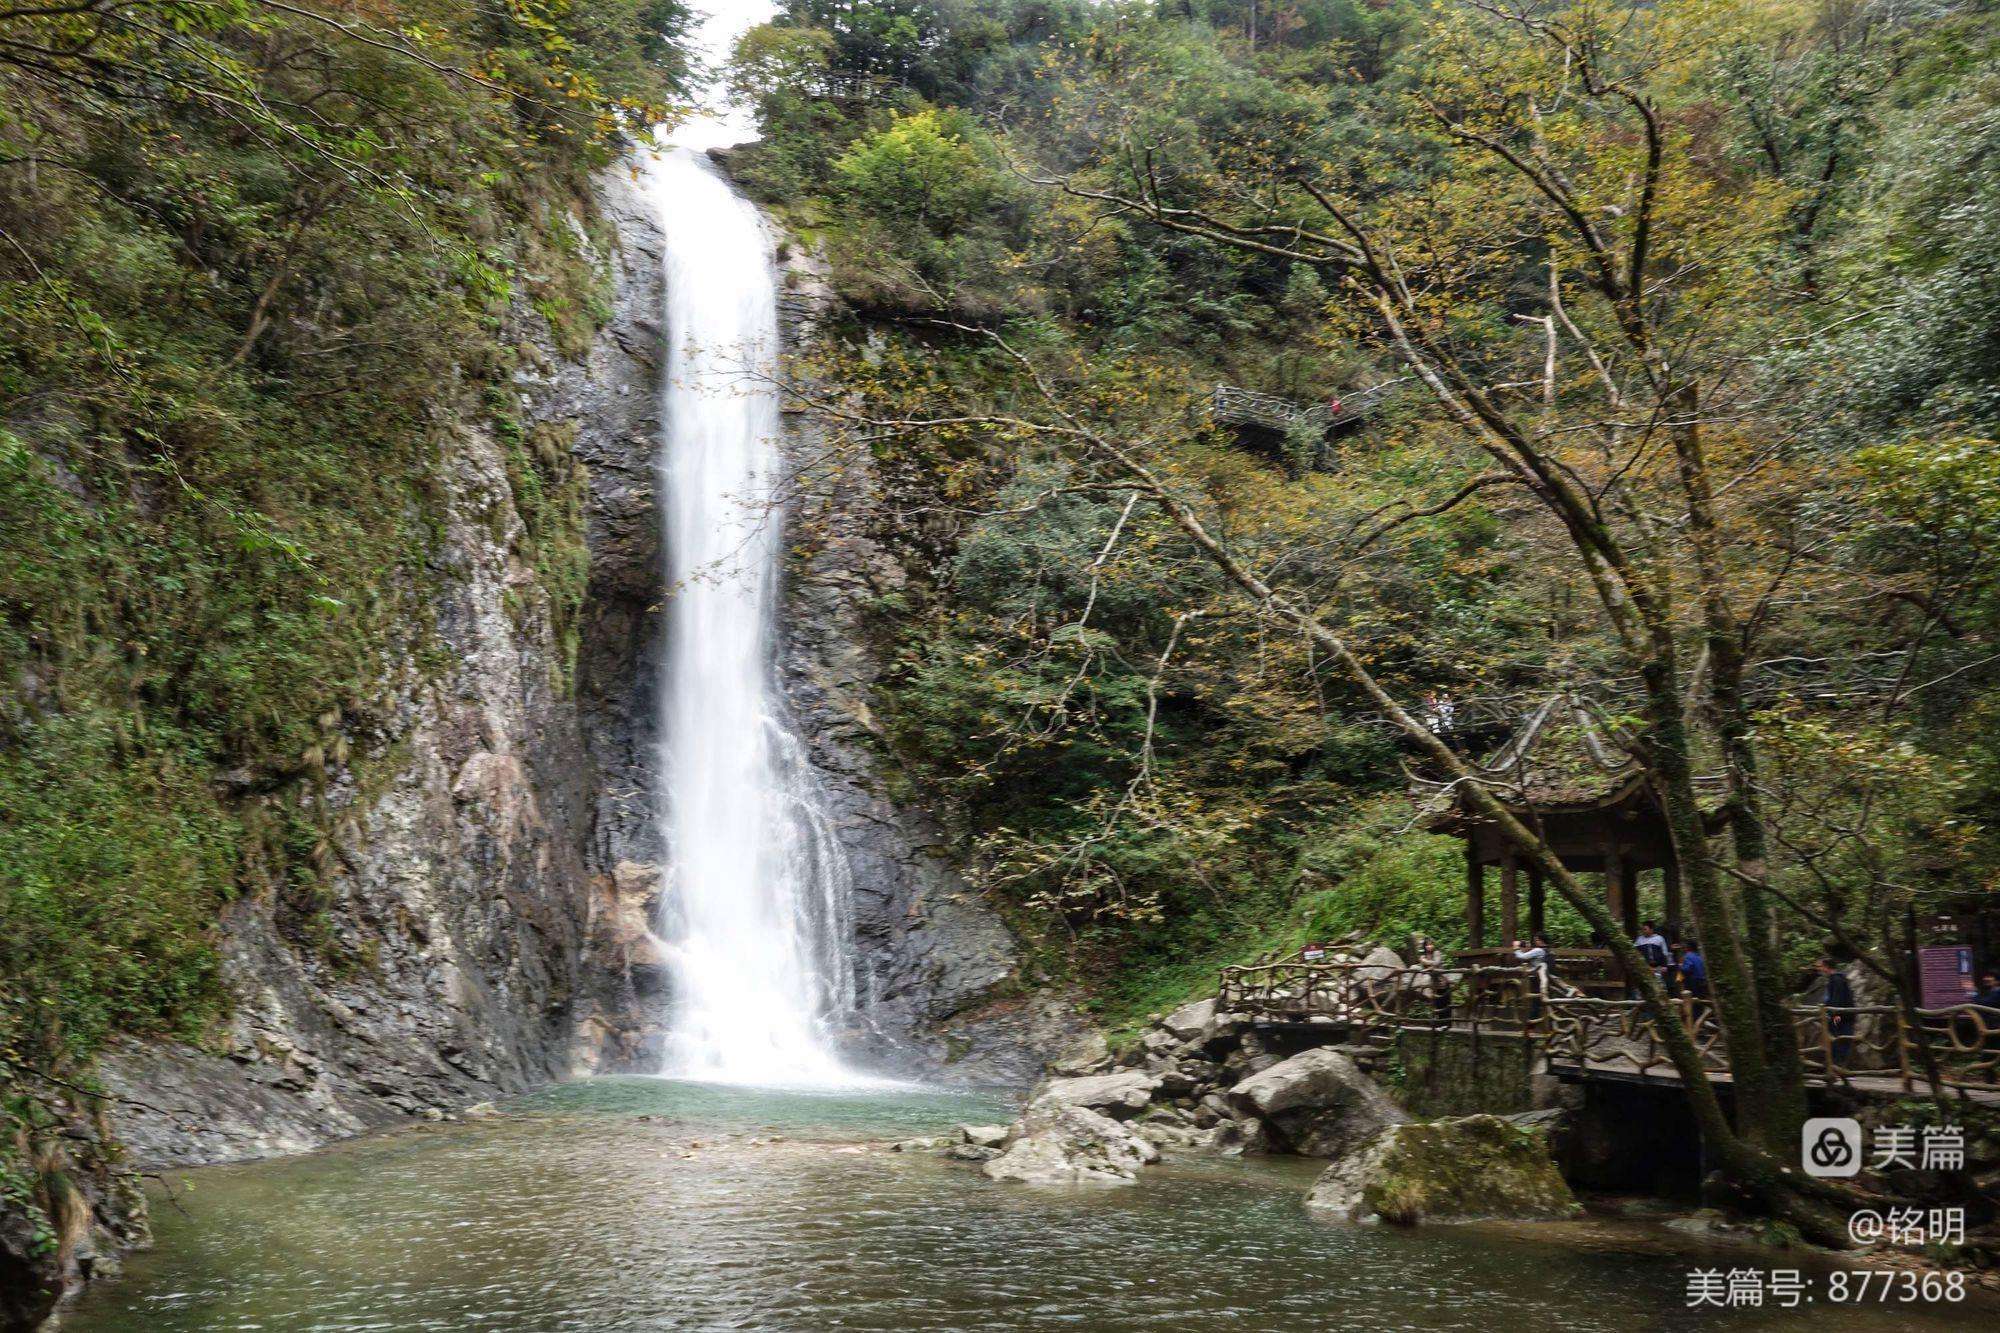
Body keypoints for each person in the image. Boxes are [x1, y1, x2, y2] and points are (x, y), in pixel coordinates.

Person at [1816, 956, 1856, 1067]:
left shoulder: (1837, 980)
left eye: (1820, 966)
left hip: (1841, 1017)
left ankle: (1839, 1067)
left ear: (1826, 967)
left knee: (1840, 1041)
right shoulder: (1835, 980)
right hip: (1839, 1016)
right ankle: (1835, 1066)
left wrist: (1832, 1015)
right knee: (1836, 1041)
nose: (1819, 969)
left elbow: (1837, 1000)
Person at [1513, 934, 1550, 1020]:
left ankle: (1530, 1025)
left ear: (1541, 940)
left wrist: (1516, 949)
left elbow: (1522, 957)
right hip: (1545, 977)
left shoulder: (1538, 950)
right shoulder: (1547, 950)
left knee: (1535, 1001)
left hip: (1536, 978)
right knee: (1540, 1000)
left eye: (1536, 940)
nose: (1535, 942)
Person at [1633, 920, 1670, 997]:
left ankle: (1662, 1002)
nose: (1643, 931)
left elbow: (1665, 953)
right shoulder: (1639, 940)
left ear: (1651, 929)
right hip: (1644, 967)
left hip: (1657, 968)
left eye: (1645, 929)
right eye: (1642, 929)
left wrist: (1665, 965)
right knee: (1642, 986)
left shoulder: (1659, 939)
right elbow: (1634, 952)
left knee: (1659, 986)